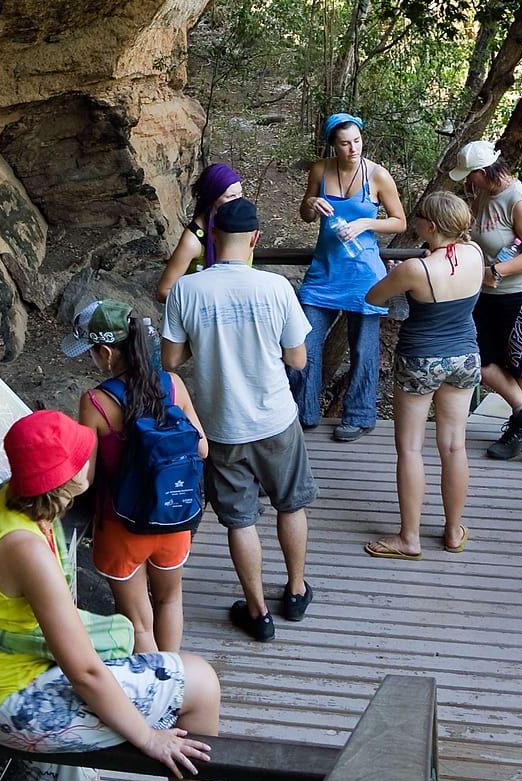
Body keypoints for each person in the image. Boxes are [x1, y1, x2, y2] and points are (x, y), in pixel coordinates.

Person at [0, 410, 256, 781]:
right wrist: (147, 737)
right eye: (81, 456)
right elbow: (85, 673)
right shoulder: (25, 548)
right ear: (69, 478)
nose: (89, 457)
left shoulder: (14, 502)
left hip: (0, 671)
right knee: (200, 683)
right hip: (16, 696)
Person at [162, 197, 317, 641]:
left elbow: (171, 360)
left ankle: (258, 613)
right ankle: (295, 589)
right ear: (255, 239)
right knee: (291, 503)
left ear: (211, 238)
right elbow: (299, 359)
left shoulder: (187, 291)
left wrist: (206, 340)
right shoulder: (275, 288)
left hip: (219, 427)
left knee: (240, 519)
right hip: (275, 419)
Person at [65, 300, 209, 654]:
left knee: (138, 622)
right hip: (173, 517)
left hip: (121, 526)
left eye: (92, 354)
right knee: (170, 601)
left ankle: (150, 699)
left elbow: (87, 476)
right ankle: (173, 687)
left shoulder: (96, 402)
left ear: (106, 351)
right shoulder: (172, 385)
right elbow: (202, 449)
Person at [360, 191, 484, 558]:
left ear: (431, 226)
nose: (414, 224)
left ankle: (409, 538)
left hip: (421, 359)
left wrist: (396, 275)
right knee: (453, 445)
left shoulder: (416, 269)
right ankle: (451, 530)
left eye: (418, 220)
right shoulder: (475, 254)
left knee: (411, 448)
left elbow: (374, 298)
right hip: (465, 357)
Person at [295, 113, 406, 441]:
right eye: (345, 143)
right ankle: (305, 412)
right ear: (334, 144)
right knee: (305, 343)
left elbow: (399, 221)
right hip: (324, 271)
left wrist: (366, 224)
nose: (353, 148)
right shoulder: (320, 170)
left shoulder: (378, 176)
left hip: (363, 274)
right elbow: (304, 215)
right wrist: (312, 202)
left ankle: (359, 416)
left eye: (357, 140)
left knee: (363, 349)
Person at [450, 139, 522, 465]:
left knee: (521, 365)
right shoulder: (486, 196)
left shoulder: (520, 202)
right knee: (477, 357)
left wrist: (496, 269)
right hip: (489, 295)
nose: (468, 182)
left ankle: (521, 430)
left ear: (483, 172)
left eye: (470, 176)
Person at [156, 163, 244, 303]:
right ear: (212, 199)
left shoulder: (244, 223)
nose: (239, 202)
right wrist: (203, 303)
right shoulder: (193, 240)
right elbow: (163, 291)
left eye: (240, 194)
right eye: (231, 196)